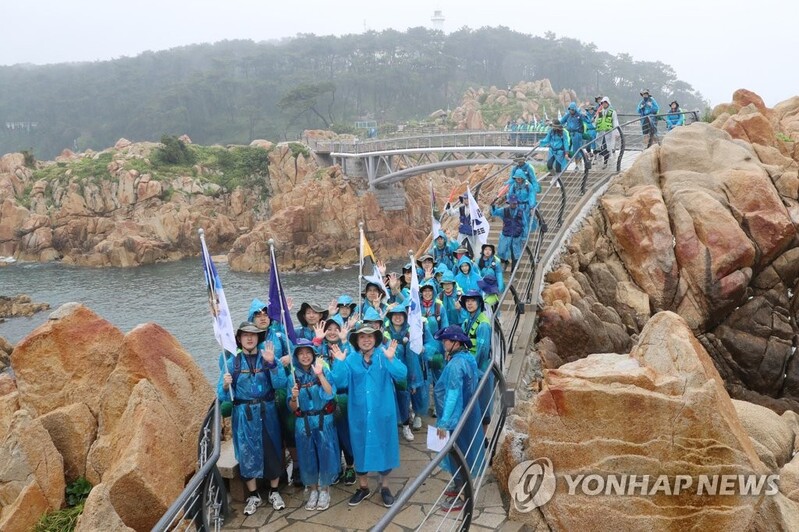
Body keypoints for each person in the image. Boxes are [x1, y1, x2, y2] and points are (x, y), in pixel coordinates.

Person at [330, 325, 407, 508]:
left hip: (382, 413)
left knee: (384, 446)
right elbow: (339, 382)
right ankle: (363, 487)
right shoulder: (350, 360)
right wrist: (339, 362)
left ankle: (385, 487)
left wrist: (391, 359)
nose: (366, 340)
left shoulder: (384, 355)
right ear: (356, 341)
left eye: (370, 336)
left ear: (376, 339)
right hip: (359, 414)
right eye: (362, 337)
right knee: (359, 447)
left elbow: (402, 374)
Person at [219, 322, 287, 515]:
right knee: (247, 452)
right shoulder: (232, 363)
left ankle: (274, 491)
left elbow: (281, 383)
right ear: (239, 340)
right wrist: (225, 386)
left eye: (254, 335)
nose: (250, 338)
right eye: (245, 335)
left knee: (271, 448)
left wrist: (273, 364)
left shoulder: (267, 358)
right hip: (244, 414)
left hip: (267, 412)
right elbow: (223, 396)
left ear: (259, 338)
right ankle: (253, 494)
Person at [433, 325, 486, 512]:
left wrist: (444, 421)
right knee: (463, 451)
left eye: (446, 340)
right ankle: (459, 485)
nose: (443, 343)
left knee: (459, 452)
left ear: (456, 342)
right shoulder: (467, 358)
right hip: (468, 413)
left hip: (457, 417)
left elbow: (453, 394)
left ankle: (464, 495)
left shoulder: (456, 365)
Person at [287, 339, 339, 511]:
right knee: (306, 455)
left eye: (308, 352)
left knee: (326, 454)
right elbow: (292, 407)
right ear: (296, 356)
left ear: (313, 354)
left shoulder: (322, 369)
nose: (305, 356)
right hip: (304, 422)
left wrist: (320, 375)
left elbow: (330, 393)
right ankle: (313, 489)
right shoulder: (292, 378)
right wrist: (294, 396)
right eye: (301, 353)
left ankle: (325, 489)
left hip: (324, 419)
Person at [315, 314, 356, 485]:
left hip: (343, 397)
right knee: (330, 435)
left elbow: (351, 367)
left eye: (336, 329)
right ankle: (336, 466)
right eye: (329, 329)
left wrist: (345, 340)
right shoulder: (320, 349)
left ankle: (351, 467)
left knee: (346, 433)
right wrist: (317, 341)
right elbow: (306, 359)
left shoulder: (347, 348)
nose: (332, 333)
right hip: (324, 397)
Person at [383, 302, 420, 442]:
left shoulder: (410, 333)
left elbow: (413, 360)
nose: (397, 318)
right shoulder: (384, 333)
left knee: (404, 398)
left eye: (401, 315)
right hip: (388, 372)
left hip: (404, 372)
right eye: (395, 315)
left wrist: (413, 380)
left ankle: (406, 426)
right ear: (390, 317)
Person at [459, 291, 493, 431]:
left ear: (479, 303)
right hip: (469, 366)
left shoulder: (483, 324)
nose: (469, 303)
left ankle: (483, 438)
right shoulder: (467, 322)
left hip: (480, 369)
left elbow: (483, 351)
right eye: (467, 301)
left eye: (473, 300)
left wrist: (473, 369)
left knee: (483, 403)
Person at [491, 194, 526, 270]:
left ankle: (513, 272)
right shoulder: (504, 210)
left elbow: (525, 225)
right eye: (512, 203)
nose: (514, 204)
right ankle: (505, 262)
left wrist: (524, 237)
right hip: (506, 235)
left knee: (515, 254)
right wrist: (493, 206)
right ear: (509, 203)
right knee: (502, 251)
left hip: (516, 237)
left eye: (515, 203)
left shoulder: (521, 212)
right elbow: (495, 212)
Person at [560, 102, 590, 169]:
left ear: (575, 109)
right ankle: (581, 160)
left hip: (577, 134)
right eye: (570, 109)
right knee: (574, 149)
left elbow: (587, 120)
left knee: (576, 149)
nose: (571, 111)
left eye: (572, 110)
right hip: (570, 134)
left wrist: (585, 115)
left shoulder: (579, 115)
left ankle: (578, 165)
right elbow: (561, 121)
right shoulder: (568, 115)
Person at [595, 96, 619, 169]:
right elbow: (596, 121)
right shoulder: (600, 112)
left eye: (605, 103)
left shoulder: (612, 112)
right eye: (602, 103)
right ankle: (605, 159)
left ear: (608, 103)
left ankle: (605, 162)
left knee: (607, 147)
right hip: (601, 133)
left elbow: (615, 122)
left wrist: (616, 132)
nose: (604, 104)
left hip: (609, 133)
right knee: (601, 148)